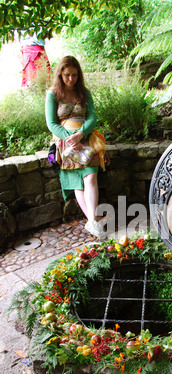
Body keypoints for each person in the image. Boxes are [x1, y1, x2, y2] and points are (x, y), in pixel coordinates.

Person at [45, 56, 106, 238]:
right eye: (66, 75)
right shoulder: (52, 95)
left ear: (78, 74)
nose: (71, 79)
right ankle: (93, 222)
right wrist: (70, 138)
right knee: (77, 182)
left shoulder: (84, 93)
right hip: (64, 140)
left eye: (74, 75)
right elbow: (51, 123)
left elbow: (92, 117)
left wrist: (81, 134)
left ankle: (92, 222)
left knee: (91, 175)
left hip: (85, 137)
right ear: (60, 74)